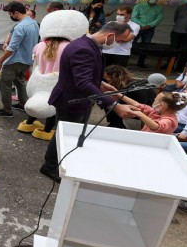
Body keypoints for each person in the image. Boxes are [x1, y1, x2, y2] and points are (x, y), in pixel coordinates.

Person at [40, 22, 138, 182]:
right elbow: (83, 82)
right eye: (119, 40)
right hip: (72, 100)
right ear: (110, 35)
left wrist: (100, 83)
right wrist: (114, 106)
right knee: (64, 135)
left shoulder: (86, 44)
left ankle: (58, 162)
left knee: (70, 133)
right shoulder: (83, 48)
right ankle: (50, 167)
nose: (118, 44)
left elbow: (85, 75)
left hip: (79, 99)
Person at [17, 10, 89, 140]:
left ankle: (28, 124)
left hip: (39, 81)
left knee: (39, 101)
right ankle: (46, 130)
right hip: (59, 82)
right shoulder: (71, 47)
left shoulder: (39, 46)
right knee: (53, 106)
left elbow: (35, 63)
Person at [0, 2, 39, 117]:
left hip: (15, 61)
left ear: (16, 13)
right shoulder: (34, 23)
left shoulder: (21, 27)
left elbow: (12, 48)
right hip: (27, 59)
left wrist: (0, 61)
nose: (10, 16)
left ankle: (7, 110)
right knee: (20, 82)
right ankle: (24, 104)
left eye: (10, 14)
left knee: (4, 84)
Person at [102, 65, 156, 129]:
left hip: (149, 110)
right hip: (136, 106)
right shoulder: (121, 85)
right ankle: (116, 124)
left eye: (106, 77)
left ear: (115, 77)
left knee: (112, 101)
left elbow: (142, 107)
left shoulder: (137, 88)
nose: (105, 80)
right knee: (108, 100)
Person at [121, 92, 187, 135]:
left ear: (161, 105)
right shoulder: (156, 112)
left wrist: (139, 114)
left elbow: (157, 126)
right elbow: (138, 105)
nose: (154, 102)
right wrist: (119, 95)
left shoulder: (170, 120)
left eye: (156, 100)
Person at [132, 0, 165, 68]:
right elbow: (134, 17)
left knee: (146, 45)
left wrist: (149, 26)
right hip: (137, 27)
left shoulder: (160, 8)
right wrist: (143, 25)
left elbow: (159, 19)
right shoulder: (139, 6)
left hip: (150, 29)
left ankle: (141, 62)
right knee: (131, 43)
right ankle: (127, 59)